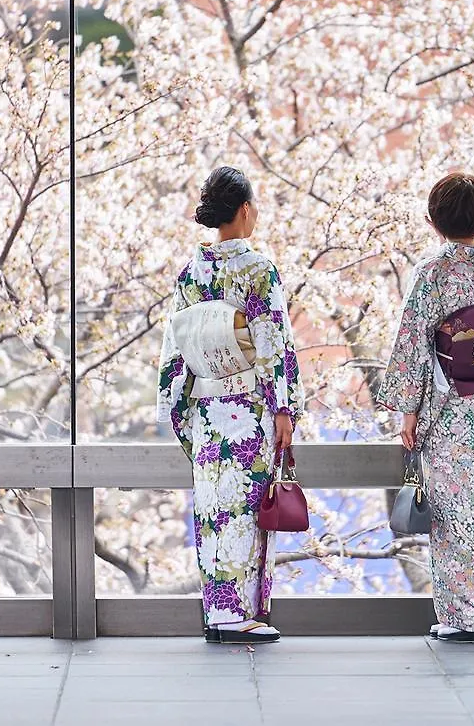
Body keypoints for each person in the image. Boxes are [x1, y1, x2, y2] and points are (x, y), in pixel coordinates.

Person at [157, 166, 305, 644]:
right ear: (244, 210)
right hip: (248, 414)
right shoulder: (259, 270)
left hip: (206, 412)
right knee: (245, 509)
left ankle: (220, 614)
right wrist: (284, 410)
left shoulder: (192, 273)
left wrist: (179, 412)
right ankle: (239, 614)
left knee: (213, 511)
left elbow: (176, 351)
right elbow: (274, 344)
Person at [377, 172, 474, 644]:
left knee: (452, 512)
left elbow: (415, 341)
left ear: (433, 221)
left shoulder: (434, 271)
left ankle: (460, 618)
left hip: (448, 402)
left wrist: (407, 410)